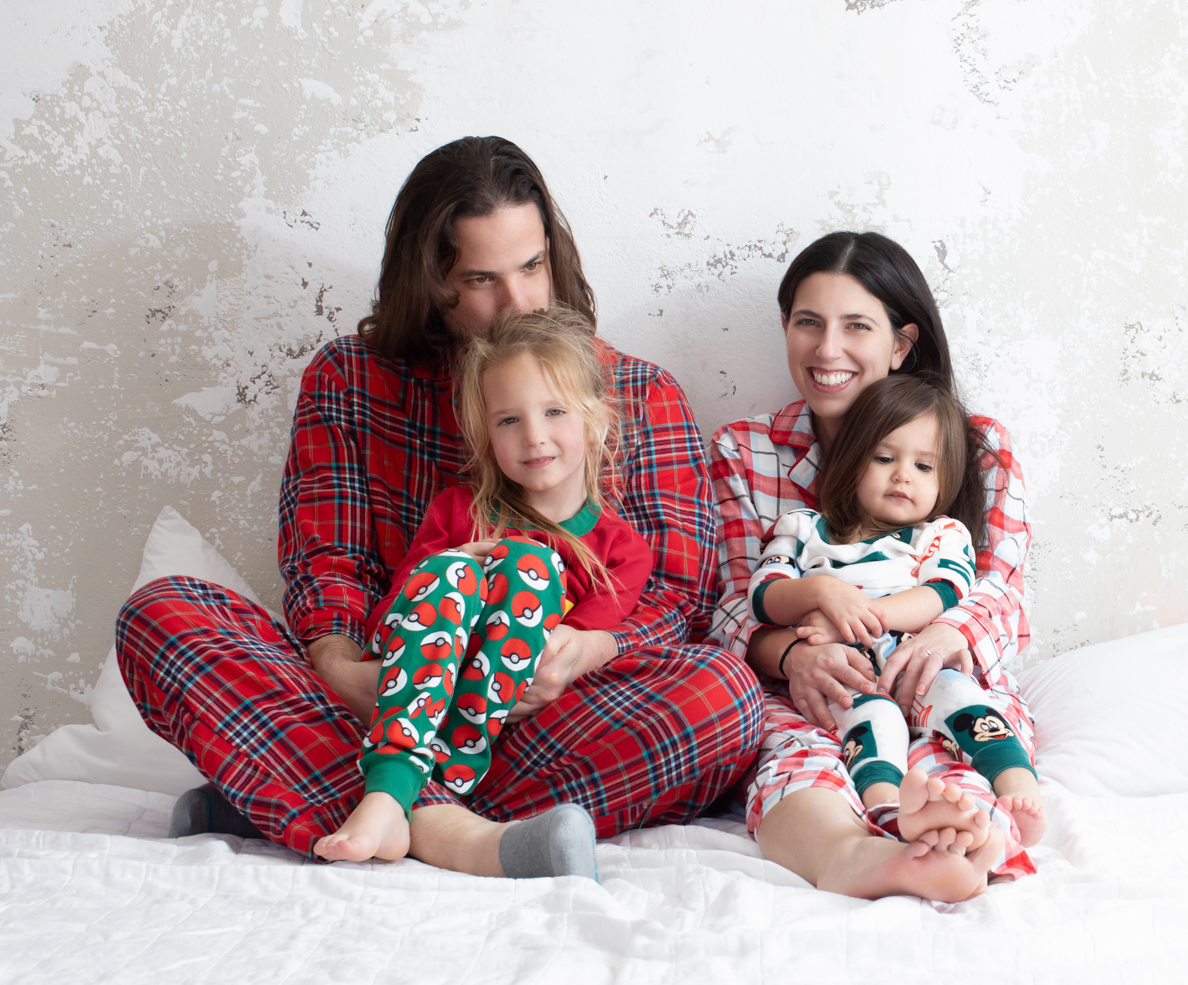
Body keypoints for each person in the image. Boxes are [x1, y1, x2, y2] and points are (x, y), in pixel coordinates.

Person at [115, 136, 763, 877]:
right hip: (377, 699)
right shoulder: (350, 380)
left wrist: (582, 652)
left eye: (532, 267)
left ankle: (343, 804)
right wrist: (342, 665)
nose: (517, 301)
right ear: (431, 280)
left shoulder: (641, 394)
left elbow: (681, 596)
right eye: (482, 279)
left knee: (725, 698)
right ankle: (460, 834)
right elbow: (326, 562)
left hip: (544, 716)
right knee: (163, 613)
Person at [710, 230, 1044, 902]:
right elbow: (731, 605)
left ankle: (961, 832)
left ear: (900, 343)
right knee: (797, 753)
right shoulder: (745, 451)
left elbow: (1001, 588)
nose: (827, 350)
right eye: (808, 323)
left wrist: (946, 635)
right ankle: (850, 854)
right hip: (814, 686)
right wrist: (792, 657)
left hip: (938, 667)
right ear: (786, 328)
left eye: (856, 326)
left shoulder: (973, 446)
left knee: (959, 732)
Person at [313, 308, 652, 873]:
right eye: (508, 421)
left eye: (554, 412)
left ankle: (419, 794)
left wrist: (527, 615)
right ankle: (391, 793)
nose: (534, 436)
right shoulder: (456, 510)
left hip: (507, 723)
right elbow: (400, 614)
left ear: (595, 420)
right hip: (408, 681)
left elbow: (571, 657)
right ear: (484, 432)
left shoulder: (622, 551)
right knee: (483, 566)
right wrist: (456, 563)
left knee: (529, 562)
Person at [745, 373, 1044, 856]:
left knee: (962, 699)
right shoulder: (802, 528)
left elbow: (942, 593)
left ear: (944, 481)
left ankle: (1016, 785)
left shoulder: (940, 534)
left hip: (916, 660)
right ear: (851, 460)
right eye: (885, 458)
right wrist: (820, 592)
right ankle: (888, 807)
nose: (903, 475)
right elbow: (764, 595)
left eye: (924, 466)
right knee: (870, 721)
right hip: (849, 671)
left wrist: (861, 616)